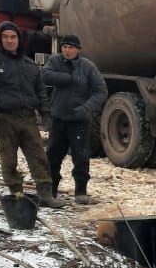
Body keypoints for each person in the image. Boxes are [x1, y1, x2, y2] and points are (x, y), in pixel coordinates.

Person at [0, 21, 66, 208]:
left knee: (39, 157)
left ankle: (46, 195)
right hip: (3, 119)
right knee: (9, 160)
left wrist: (46, 115)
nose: (9, 41)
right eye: (5, 37)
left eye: (13, 37)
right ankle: (17, 194)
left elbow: (41, 92)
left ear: (18, 39)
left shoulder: (30, 65)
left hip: (27, 119)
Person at [42, 34, 108, 206]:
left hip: (79, 120)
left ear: (78, 49)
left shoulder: (88, 67)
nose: (67, 50)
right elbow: (45, 76)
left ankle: (80, 191)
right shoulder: (55, 61)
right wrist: (67, 78)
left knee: (81, 156)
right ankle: (51, 191)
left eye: (71, 47)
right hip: (59, 118)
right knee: (53, 156)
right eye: (64, 47)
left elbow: (101, 91)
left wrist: (86, 108)